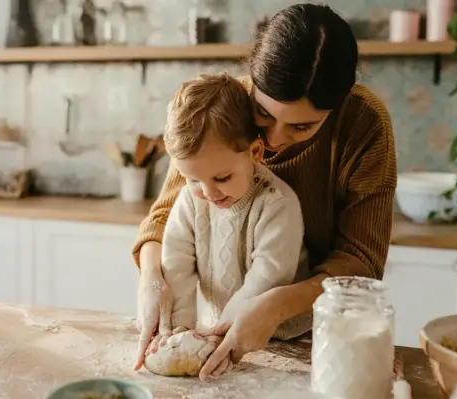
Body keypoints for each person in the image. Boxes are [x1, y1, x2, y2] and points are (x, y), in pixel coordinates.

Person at [133, 3, 397, 381]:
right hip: (216, 329)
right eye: (264, 113)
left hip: (317, 333)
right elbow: (166, 217)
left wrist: (274, 305)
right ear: (252, 80)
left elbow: (361, 261)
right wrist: (151, 281)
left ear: (338, 106)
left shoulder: (364, 123)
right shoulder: (223, 107)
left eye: (302, 127)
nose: (272, 141)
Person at [140, 73, 311, 376]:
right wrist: (178, 331)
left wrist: (223, 332)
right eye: (193, 179)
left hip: (291, 340)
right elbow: (177, 263)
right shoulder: (190, 200)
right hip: (216, 330)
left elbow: (266, 276)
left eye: (222, 178)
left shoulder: (277, 204)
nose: (209, 194)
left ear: (255, 153)